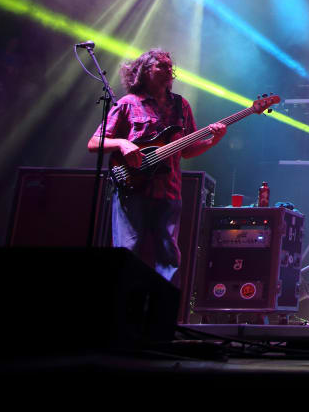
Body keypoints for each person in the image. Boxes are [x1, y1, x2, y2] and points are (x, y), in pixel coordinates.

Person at [87, 49, 225, 284]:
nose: (168, 70)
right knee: (126, 251)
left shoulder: (181, 106)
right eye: (161, 65)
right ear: (144, 71)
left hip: (169, 191)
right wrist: (122, 143)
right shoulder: (128, 104)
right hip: (132, 189)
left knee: (169, 257)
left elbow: (187, 151)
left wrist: (214, 140)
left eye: (170, 66)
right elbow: (94, 143)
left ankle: (163, 313)